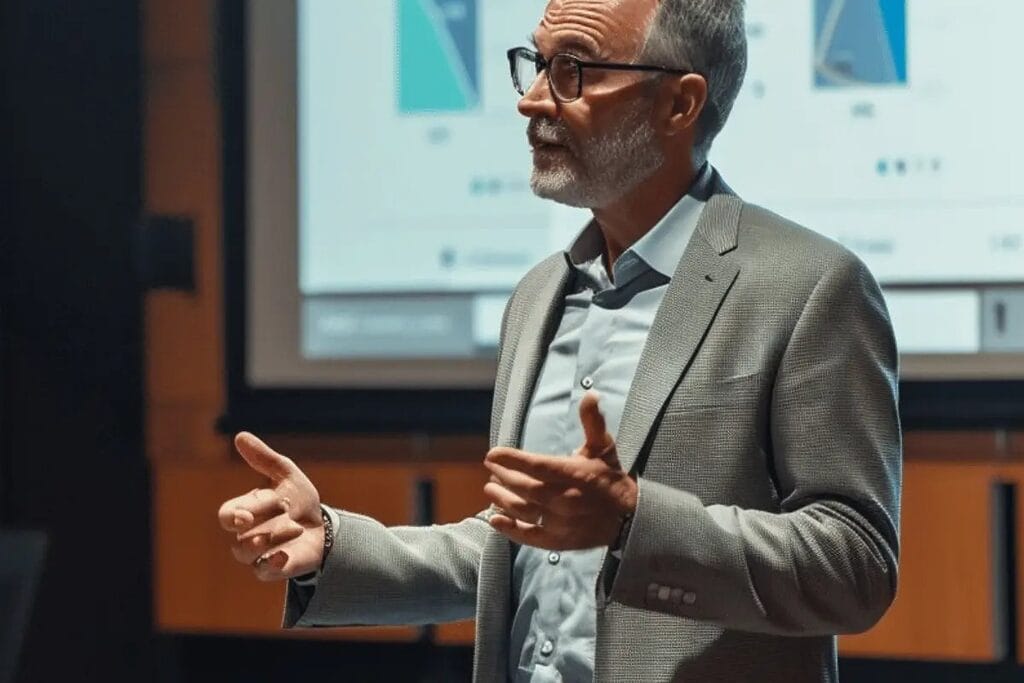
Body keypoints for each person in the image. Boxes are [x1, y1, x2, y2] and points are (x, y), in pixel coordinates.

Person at [216, 0, 902, 680]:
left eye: (574, 69)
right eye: (536, 64)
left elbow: (856, 562)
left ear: (679, 104)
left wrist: (636, 520)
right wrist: (334, 547)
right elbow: (522, 547)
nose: (533, 100)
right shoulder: (540, 295)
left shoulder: (809, 285)